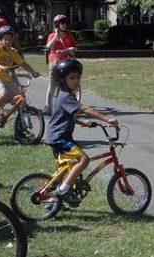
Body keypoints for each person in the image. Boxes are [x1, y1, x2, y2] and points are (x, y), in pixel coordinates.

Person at [45, 59, 118, 205]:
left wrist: (82, 123)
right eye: (72, 78)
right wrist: (106, 119)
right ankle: (64, 190)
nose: (76, 80)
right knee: (84, 160)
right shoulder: (66, 96)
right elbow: (84, 109)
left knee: (63, 170)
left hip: (57, 136)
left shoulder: (65, 95)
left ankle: (50, 198)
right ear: (62, 80)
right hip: (60, 138)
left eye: (78, 77)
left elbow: (64, 115)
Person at [0, 26, 41, 127]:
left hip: (6, 79)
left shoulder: (13, 51)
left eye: (10, 39)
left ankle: (20, 127)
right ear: (0, 40)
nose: (8, 42)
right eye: (6, 39)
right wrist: (0, 66)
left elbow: (23, 63)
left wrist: (33, 72)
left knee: (21, 100)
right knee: (4, 93)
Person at [44, 14, 78, 115]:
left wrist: (71, 49)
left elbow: (75, 48)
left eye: (66, 23)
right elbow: (48, 47)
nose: (65, 25)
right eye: (62, 23)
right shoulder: (51, 35)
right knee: (53, 85)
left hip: (66, 63)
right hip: (55, 63)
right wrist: (56, 36)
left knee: (65, 86)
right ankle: (47, 106)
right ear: (57, 24)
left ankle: (62, 106)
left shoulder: (69, 35)